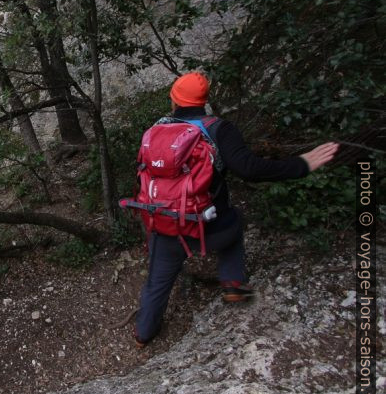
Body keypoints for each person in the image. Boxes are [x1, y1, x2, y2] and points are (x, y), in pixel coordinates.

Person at [133, 71, 338, 348]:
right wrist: (300, 164)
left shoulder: (155, 130)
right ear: (204, 102)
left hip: (167, 227)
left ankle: (144, 334)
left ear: (173, 100)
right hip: (213, 226)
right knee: (235, 225)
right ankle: (235, 291)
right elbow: (250, 169)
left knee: (156, 282)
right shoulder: (218, 129)